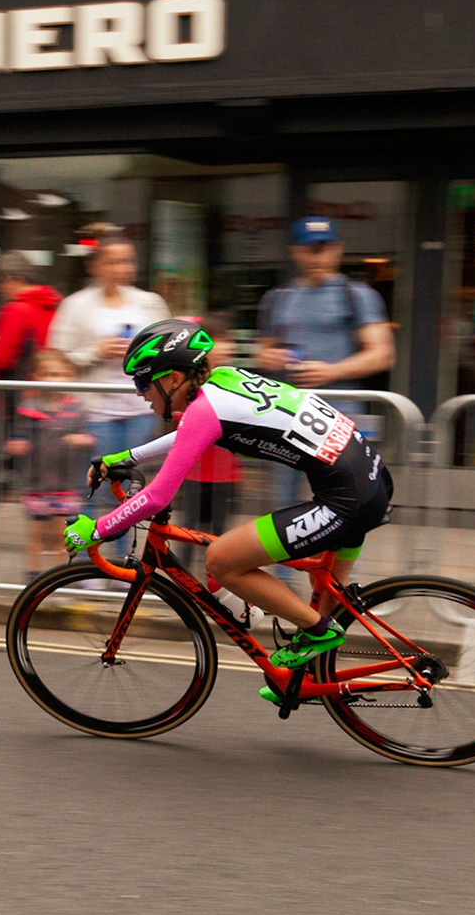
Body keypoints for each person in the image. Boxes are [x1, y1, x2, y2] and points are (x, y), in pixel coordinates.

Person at [63, 319, 394, 697]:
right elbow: (191, 432)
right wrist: (126, 456)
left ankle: (319, 634)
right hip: (370, 477)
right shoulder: (223, 380)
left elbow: (156, 497)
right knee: (327, 594)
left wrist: (98, 528)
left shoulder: (206, 410)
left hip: (346, 497)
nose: (140, 394)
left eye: (142, 382)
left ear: (172, 379)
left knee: (222, 559)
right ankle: (307, 682)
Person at [254, 216, 397, 517]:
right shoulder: (279, 298)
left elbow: (382, 353)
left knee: (345, 499)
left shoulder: (357, 295)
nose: (317, 255)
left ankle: (337, 566)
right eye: (309, 248)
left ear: (338, 250)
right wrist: (272, 357)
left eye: (324, 248)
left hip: (339, 416)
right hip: (288, 413)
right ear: (295, 251)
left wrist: (331, 372)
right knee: (285, 503)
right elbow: (262, 350)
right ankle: (282, 564)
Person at [46, 235, 171, 458]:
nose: (122, 268)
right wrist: (96, 352)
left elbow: (171, 348)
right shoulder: (75, 305)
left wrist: (147, 353)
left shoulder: (150, 302)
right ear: (95, 266)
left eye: (128, 261)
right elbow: (56, 357)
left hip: (142, 407)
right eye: (113, 262)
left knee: (133, 480)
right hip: (95, 411)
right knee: (99, 480)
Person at [6, 348, 94, 580]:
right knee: (36, 533)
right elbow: (17, 436)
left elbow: (89, 437)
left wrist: (82, 440)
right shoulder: (29, 407)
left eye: (59, 374)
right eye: (47, 374)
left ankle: (61, 573)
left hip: (66, 482)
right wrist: (16, 444)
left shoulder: (76, 408)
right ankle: (33, 574)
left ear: (71, 376)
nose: (53, 379)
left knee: (60, 534)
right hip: (36, 482)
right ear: (36, 377)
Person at [180, 312, 241, 540]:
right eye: (219, 341)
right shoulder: (191, 383)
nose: (227, 347)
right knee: (187, 535)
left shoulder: (237, 380)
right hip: (194, 474)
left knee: (220, 536)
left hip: (225, 475)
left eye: (228, 340)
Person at [0, 251, 61, 378]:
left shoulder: (16, 309)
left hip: (21, 385)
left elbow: (0, 360)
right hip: (45, 380)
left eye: (0, 282)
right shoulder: (53, 304)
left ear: (17, 279)